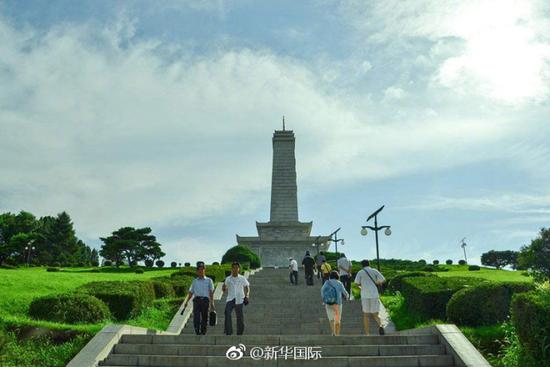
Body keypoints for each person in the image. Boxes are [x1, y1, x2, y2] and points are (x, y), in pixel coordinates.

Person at [182, 261, 215, 335]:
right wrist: (187, 301)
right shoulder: (194, 281)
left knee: (204, 317)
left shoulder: (209, 280)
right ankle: (197, 331)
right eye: (199, 269)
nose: (201, 271)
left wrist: (212, 303)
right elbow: (191, 292)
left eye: (202, 269)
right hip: (196, 300)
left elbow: (211, 292)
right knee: (196, 317)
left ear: (204, 270)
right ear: (197, 271)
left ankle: (203, 332)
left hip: (205, 300)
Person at [354, 259, 386, 335]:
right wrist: (377, 282)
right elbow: (383, 280)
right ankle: (380, 325)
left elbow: (356, 284)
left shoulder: (360, 272)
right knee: (375, 314)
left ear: (362, 265)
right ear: (369, 264)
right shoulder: (374, 271)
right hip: (374, 295)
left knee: (366, 315)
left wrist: (361, 287)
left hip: (365, 296)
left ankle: (367, 334)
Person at [222, 261, 250, 335]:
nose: (235, 269)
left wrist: (246, 296)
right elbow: (224, 287)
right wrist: (224, 288)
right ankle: (229, 332)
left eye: (236, 268)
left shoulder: (242, 278)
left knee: (239, 317)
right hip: (230, 299)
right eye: (233, 268)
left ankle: (240, 332)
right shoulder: (228, 278)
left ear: (239, 269)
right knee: (227, 313)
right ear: (231, 269)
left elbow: (246, 287)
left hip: (239, 299)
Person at [321, 271, 349, 336]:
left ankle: (333, 332)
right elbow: (345, 292)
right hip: (337, 304)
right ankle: (337, 334)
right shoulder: (339, 283)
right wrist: (347, 297)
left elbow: (322, 291)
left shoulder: (327, 282)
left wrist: (324, 300)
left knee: (331, 319)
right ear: (337, 276)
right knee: (337, 320)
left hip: (328, 303)